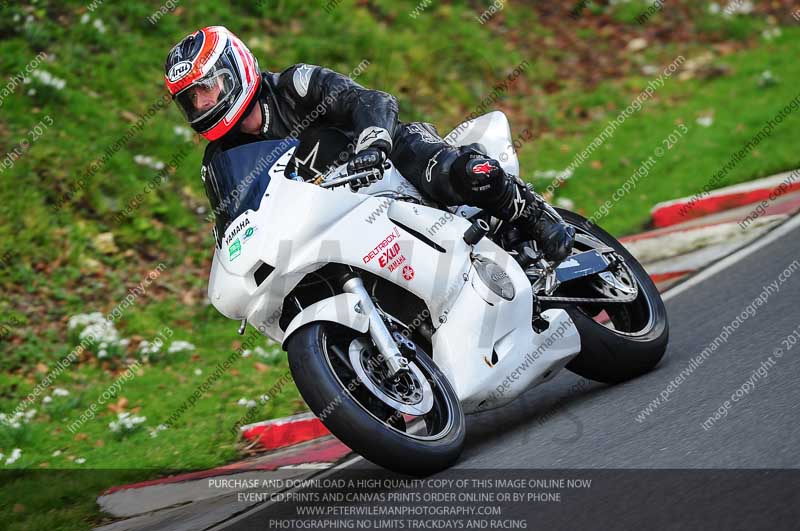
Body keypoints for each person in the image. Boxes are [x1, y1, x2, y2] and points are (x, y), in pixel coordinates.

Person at [164, 26, 574, 262]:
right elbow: (232, 216)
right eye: (191, 99)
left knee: (465, 173)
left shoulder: (293, 86)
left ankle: (533, 213)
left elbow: (370, 100)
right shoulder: (221, 157)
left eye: (206, 89)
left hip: (389, 160)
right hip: (330, 218)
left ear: (235, 70)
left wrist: (373, 145)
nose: (202, 103)